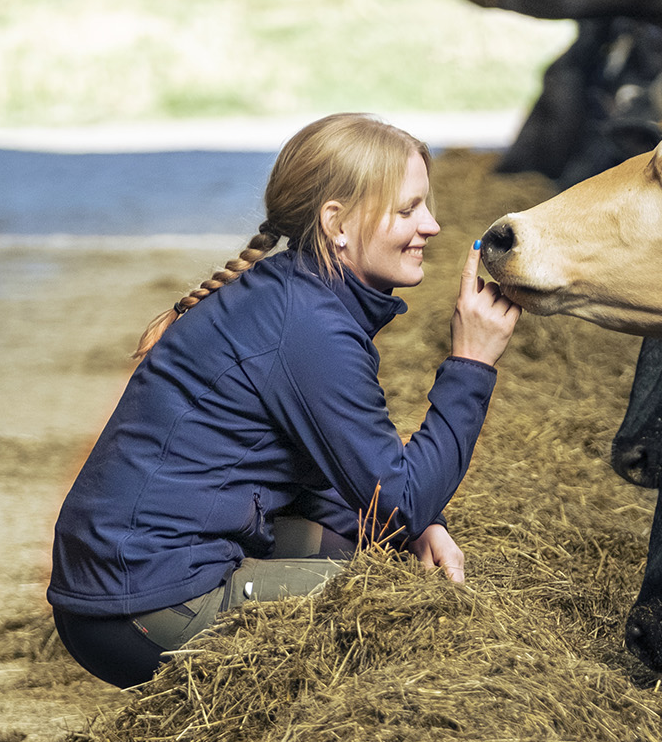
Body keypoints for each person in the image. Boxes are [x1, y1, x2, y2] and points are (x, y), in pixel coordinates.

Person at [48, 113, 522, 688]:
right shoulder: (308, 325)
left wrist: (420, 526)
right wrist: (471, 363)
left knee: (372, 550)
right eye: (408, 209)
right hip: (143, 607)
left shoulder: (293, 295)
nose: (434, 225)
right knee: (395, 603)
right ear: (336, 224)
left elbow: (350, 486)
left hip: (114, 588)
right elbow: (396, 498)